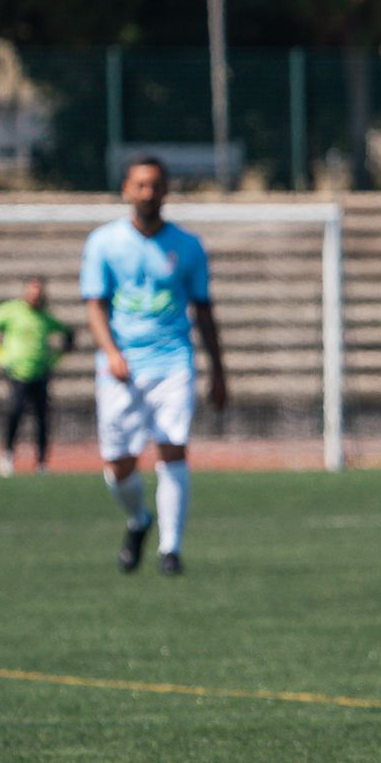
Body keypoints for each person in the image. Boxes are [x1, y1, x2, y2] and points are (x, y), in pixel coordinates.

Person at [80, 156, 229, 577]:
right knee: (118, 464)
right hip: (121, 366)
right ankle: (139, 519)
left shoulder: (188, 245)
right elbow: (95, 306)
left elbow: (203, 311)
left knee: (172, 448)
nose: (148, 193)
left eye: (155, 185)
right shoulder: (103, 242)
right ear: (126, 189)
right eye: (140, 185)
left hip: (173, 361)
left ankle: (171, 550)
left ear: (166, 190)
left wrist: (219, 371)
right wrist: (111, 352)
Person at [0, 276, 74, 476]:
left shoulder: (46, 317)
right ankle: (8, 455)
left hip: (40, 373)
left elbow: (68, 334)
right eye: (32, 291)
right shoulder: (12, 310)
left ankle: (41, 462)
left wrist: (55, 359)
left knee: (42, 418)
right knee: (15, 413)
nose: (35, 295)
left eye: (38, 292)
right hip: (17, 373)